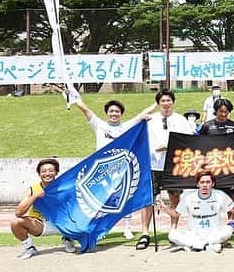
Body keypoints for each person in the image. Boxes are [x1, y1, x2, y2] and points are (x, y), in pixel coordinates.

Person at [73, 97, 155, 239]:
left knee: (124, 197)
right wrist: (75, 99)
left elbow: (142, 114)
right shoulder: (99, 125)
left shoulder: (127, 126)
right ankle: (100, 229)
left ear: (121, 114)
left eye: (117, 111)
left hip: (122, 168)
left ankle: (127, 228)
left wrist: (156, 104)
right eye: (111, 111)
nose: (114, 114)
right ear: (107, 113)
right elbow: (85, 110)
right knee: (100, 200)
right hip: (103, 169)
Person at [136, 89, 192, 251]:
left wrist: (169, 146)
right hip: (153, 166)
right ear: (158, 103)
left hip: (173, 165)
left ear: (173, 102)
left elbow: (187, 141)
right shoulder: (150, 119)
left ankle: (173, 230)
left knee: (175, 197)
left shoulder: (181, 120)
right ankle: (145, 233)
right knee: (149, 200)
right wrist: (147, 112)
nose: (166, 104)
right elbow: (135, 123)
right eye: (162, 101)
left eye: (168, 100)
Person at [157, 172, 234, 253]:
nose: (205, 185)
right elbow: (176, 214)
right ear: (197, 184)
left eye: (208, 182)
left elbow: (233, 210)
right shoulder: (189, 197)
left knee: (228, 230)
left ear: (213, 184)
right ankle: (208, 246)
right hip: (194, 234)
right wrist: (164, 207)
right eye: (202, 182)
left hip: (213, 233)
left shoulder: (220, 195)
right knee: (172, 235)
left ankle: (195, 246)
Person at [11, 159, 77, 259]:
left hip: (63, 224)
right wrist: (35, 196)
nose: (47, 173)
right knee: (16, 222)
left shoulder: (64, 187)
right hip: (41, 224)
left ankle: (68, 239)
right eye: (44, 171)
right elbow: (19, 213)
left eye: (51, 170)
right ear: (39, 173)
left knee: (85, 220)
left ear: (56, 172)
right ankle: (29, 248)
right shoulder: (33, 189)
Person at [198, 98, 234, 233]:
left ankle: (231, 222)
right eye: (221, 111)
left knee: (230, 195)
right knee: (210, 195)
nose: (223, 114)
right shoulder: (207, 126)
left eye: (226, 112)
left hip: (228, 167)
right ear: (215, 111)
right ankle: (211, 222)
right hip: (211, 167)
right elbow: (199, 144)